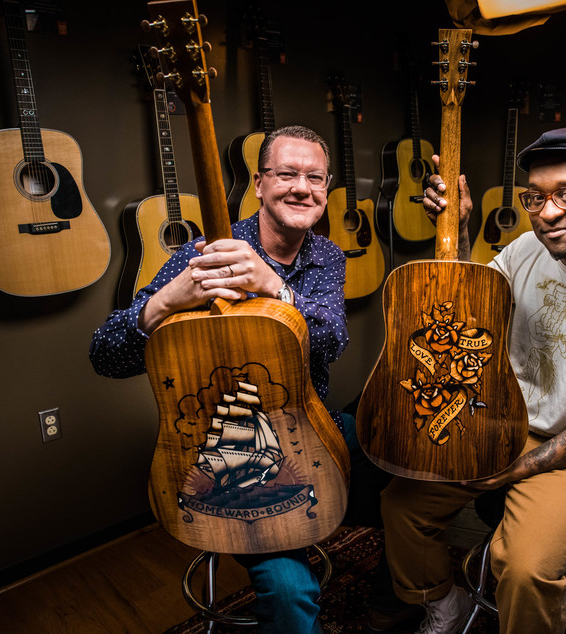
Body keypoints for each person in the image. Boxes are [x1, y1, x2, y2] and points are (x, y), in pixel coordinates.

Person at [380, 125, 566, 634]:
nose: (547, 214)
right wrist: (454, 230)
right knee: (401, 505)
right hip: (500, 418)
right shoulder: (526, 249)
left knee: (525, 569)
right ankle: (442, 602)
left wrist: (512, 472)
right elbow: (463, 313)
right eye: (535, 197)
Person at [89, 125, 351, 634]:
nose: (302, 187)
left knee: (409, 462)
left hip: (312, 426)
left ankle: (406, 599)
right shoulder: (204, 254)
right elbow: (104, 355)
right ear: (258, 183)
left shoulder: (327, 257)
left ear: (327, 188)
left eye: (314, 177)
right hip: (232, 456)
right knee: (291, 593)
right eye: (287, 174)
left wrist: (272, 286)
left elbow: (331, 339)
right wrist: (164, 303)